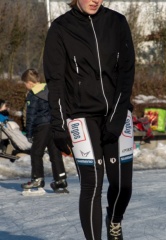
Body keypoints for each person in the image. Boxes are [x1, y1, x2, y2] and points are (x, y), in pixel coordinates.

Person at [43, 0, 135, 239]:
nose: (95, 0)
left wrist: (116, 118)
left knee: (123, 185)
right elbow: (56, 82)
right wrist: (59, 126)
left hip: (117, 112)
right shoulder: (60, 28)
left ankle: (114, 220)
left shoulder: (117, 22)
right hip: (81, 116)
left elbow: (127, 72)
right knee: (92, 184)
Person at [20, 69, 68, 194]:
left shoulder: (33, 95)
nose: (25, 86)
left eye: (25, 83)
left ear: (30, 83)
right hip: (54, 125)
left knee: (36, 152)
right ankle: (60, 180)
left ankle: (37, 178)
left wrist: (29, 133)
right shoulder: (49, 89)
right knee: (55, 153)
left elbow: (31, 116)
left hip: (41, 127)